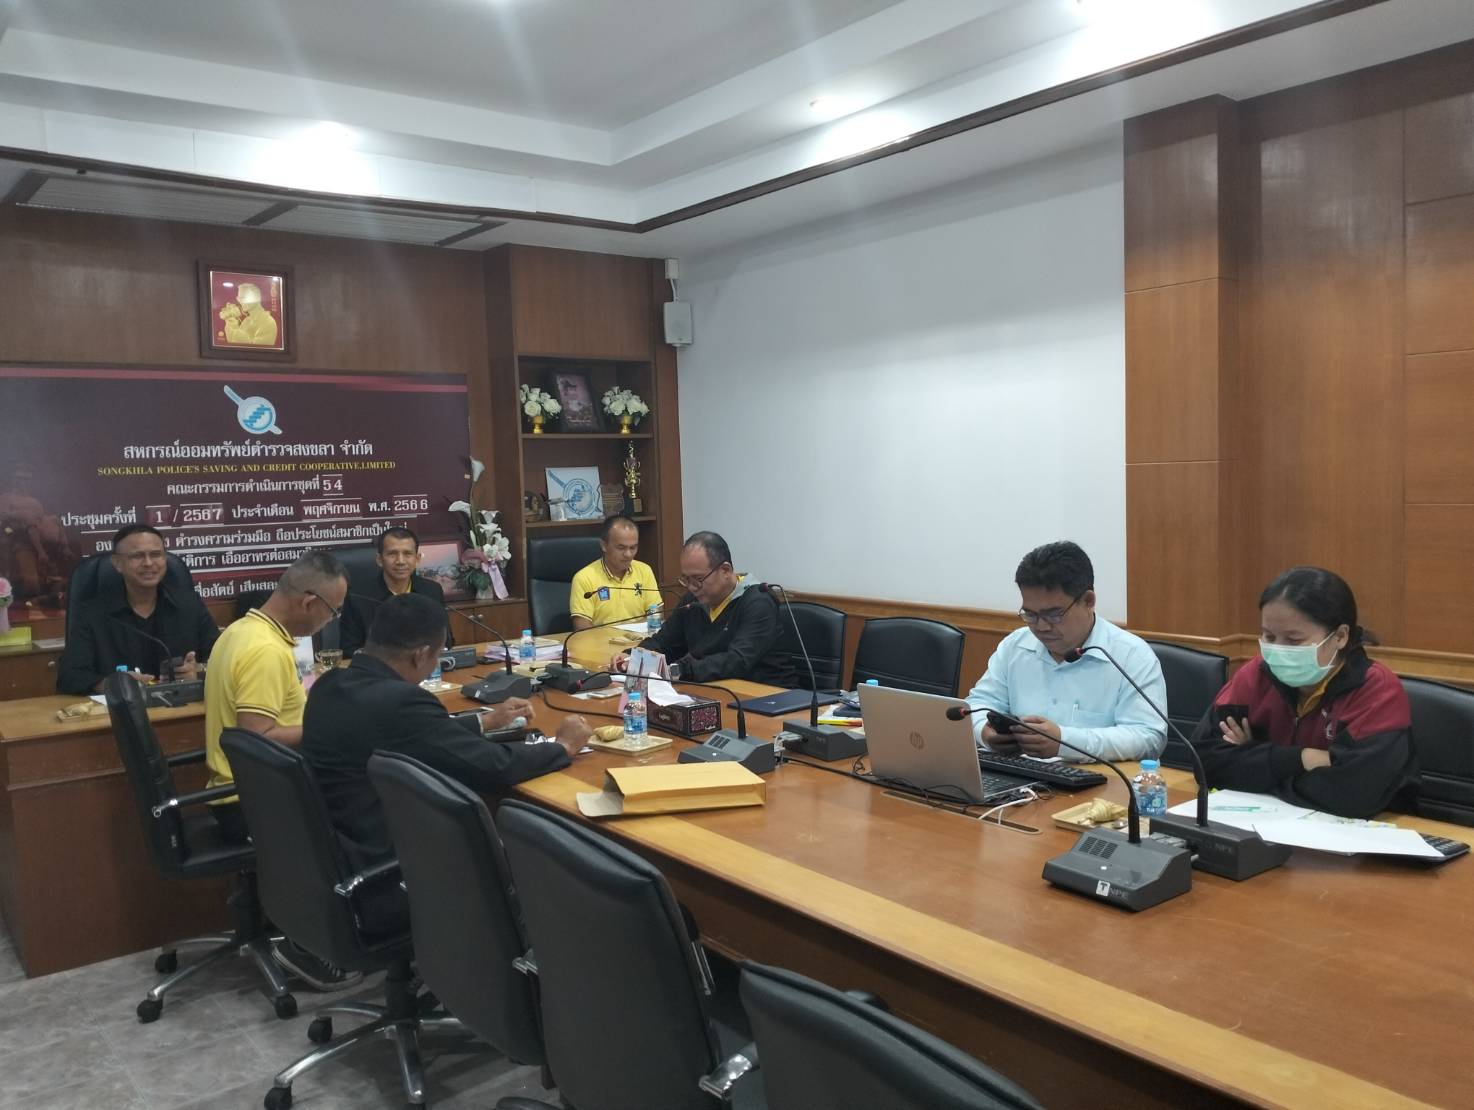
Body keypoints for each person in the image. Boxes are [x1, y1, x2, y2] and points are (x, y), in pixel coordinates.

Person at [301, 593, 591, 935]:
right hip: (390, 876)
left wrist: (485, 721)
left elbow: (415, 734)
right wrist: (562, 746)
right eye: (437, 656)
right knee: (541, 856)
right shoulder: (402, 702)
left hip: (338, 860)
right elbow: (494, 767)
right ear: (420, 655)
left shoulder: (331, 684)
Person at [202, 550, 352, 989]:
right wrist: (324, 725)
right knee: (366, 815)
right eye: (334, 611)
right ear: (309, 602)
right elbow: (257, 739)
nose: (331, 620)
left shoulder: (240, 631)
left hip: (237, 790)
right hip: (250, 801)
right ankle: (311, 945)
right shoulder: (266, 651)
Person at [1193, 567, 1418, 818]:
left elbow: (1353, 794)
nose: (1278, 650)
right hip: (1266, 822)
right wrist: (1303, 758)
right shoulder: (1255, 675)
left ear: (1340, 636)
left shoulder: (1377, 690)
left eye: (1294, 640)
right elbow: (1205, 762)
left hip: (1364, 832)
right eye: (1269, 636)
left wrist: (1252, 762)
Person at [965, 541, 1166, 762]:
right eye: (1030, 614)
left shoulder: (1131, 656)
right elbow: (976, 704)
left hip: (1097, 780)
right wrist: (984, 732)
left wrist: (1065, 742)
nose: (1041, 626)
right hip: (1021, 773)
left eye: (1054, 614)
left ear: (1088, 601)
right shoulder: (1015, 647)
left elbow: (1148, 738)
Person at [611, 531, 795, 687]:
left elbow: (737, 660)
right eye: (686, 579)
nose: (691, 587)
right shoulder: (692, 601)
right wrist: (632, 657)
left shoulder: (758, 602)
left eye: (698, 579)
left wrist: (680, 670)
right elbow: (664, 642)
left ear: (725, 570)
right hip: (711, 688)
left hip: (766, 695)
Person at [56, 524, 218, 694]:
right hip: (119, 707)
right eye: (137, 556)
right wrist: (114, 684)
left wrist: (199, 672)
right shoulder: (92, 613)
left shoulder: (189, 605)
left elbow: (223, 658)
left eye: (156, 554)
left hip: (180, 706)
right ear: (117, 563)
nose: (148, 563)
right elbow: (69, 676)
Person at [338, 526, 451, 657]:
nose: (400, 561)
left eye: (407, 554)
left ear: (417, 559)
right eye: (392, 554)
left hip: (423, 665)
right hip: (377, 667)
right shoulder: (358, 597)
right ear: (379, 560)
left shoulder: (431, 591)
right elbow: (349, 650)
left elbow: (446, 641)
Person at [569, 514, 660, 631]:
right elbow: (582, 627)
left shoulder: (644, 570)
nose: (628, 554)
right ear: (604, 545)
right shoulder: (584, 578)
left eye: (633, 548)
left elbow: (655, 615)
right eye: (621, 548)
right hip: (602, 641)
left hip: (640, 640)